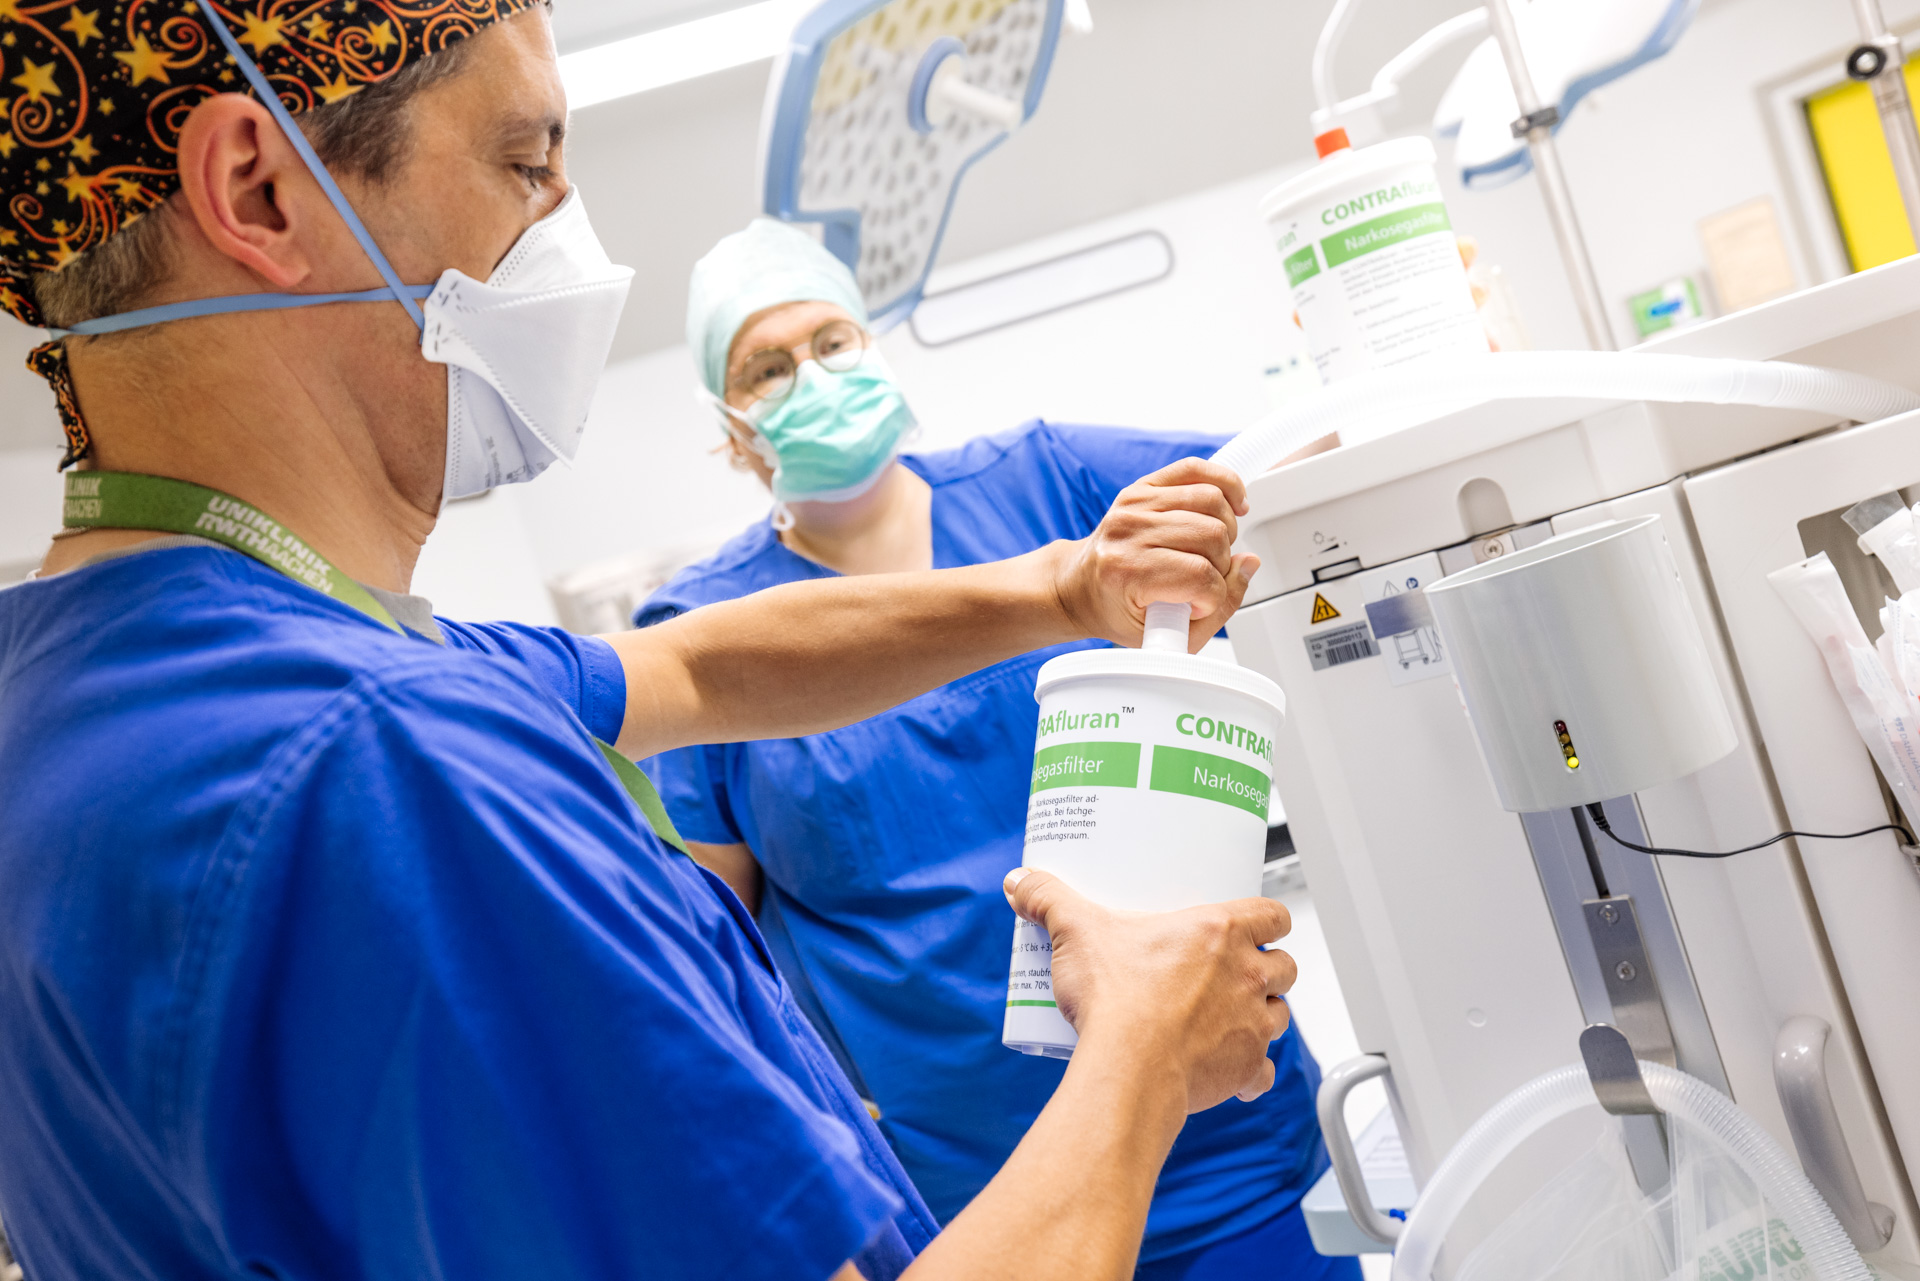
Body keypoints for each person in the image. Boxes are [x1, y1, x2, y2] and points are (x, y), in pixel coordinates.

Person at [0, 5, 1296, 1280]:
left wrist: (1062, 590)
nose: (568, 237)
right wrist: (1143, 1051)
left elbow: (699, 669)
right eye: (523, 165)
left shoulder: (87, 689)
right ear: (259, 188)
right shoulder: (396, 768)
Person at [636, 219, 1359, 1280]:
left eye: (833, 343)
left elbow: (1286, 478)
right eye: (769, 368)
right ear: (733, 431)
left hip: (1211, 1148)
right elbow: (712, 956)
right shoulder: (710, 638)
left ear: (875, 346)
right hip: (973, 1198)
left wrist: (1383, 359)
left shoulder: (1053, 488)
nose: (815, 377)